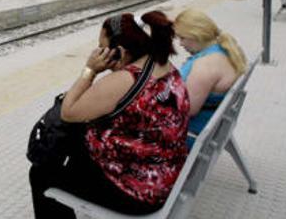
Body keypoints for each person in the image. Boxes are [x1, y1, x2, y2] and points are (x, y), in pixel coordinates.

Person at [29, 12, 190, 217]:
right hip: (162, 171)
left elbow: (67, 112)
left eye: (102, 48)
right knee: (69, 143)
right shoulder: (162, 64)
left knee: (41, 173)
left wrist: (90, 70)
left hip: (138, 192)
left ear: (120, 51)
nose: (98, 53)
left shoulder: (125, 80)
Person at [173, 9, 248, 147]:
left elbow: (187, 110)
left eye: (182, 38)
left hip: (191, 133)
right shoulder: (223, 49)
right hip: (210, 121)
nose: (180, 44)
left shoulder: (205, 66)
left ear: (197, 35)